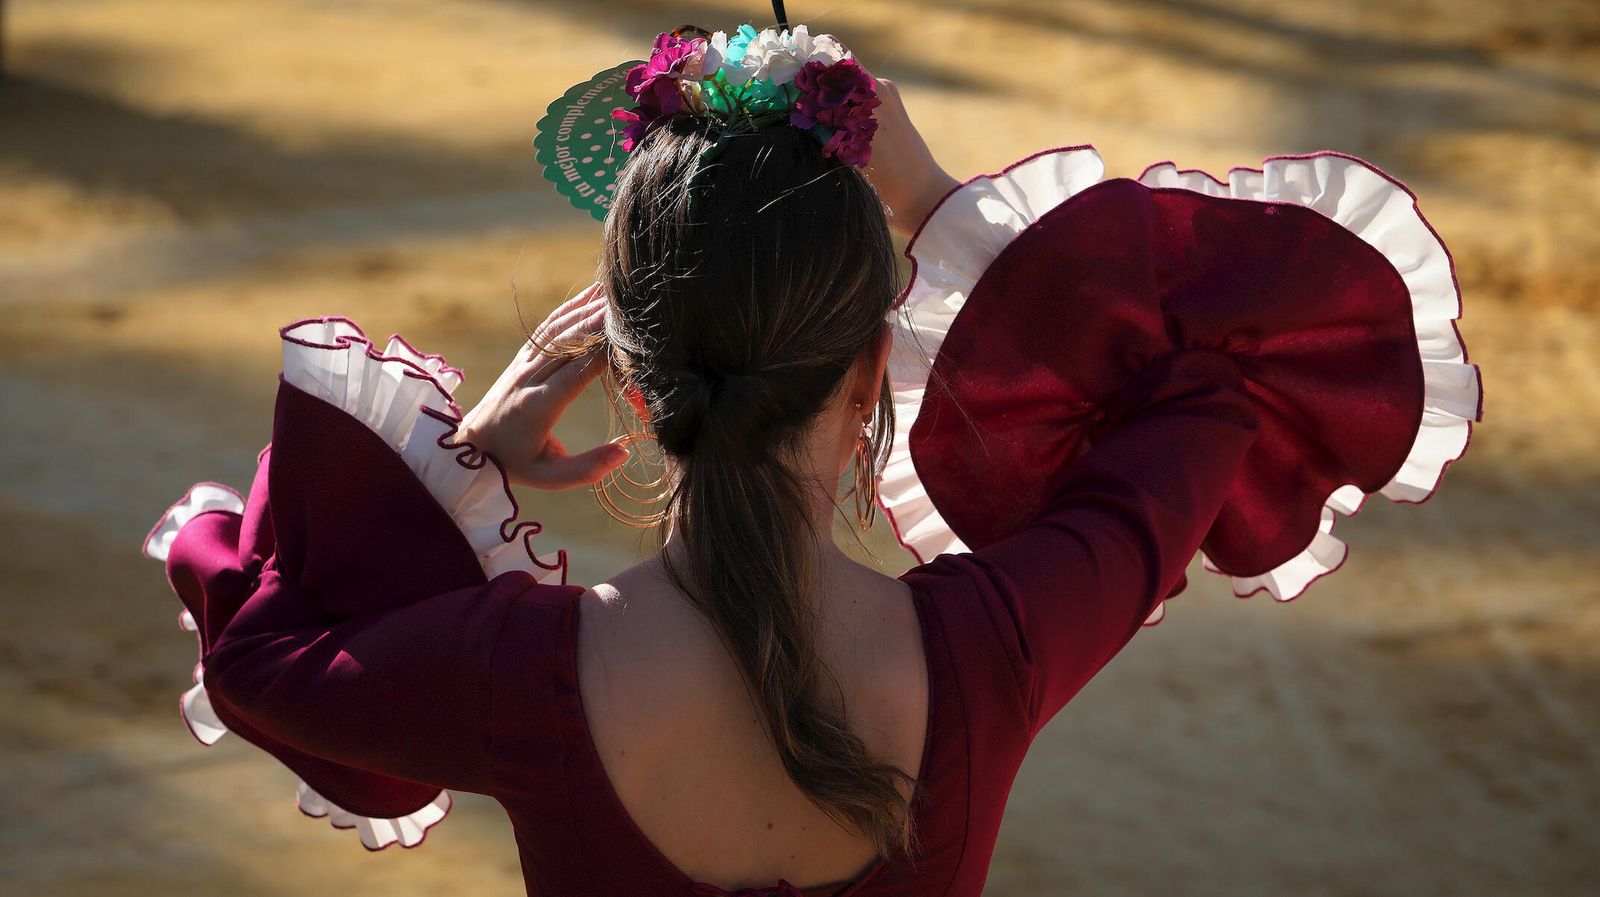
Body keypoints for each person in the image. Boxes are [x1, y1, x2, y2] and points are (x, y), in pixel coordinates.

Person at [140, 23, 1483, 897]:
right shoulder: (994, 645)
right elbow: (1211, 385)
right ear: (867, 383)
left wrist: (483, 440)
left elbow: (261, 648)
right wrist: (934, 201)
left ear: (641, 383)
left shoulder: (522, 673)